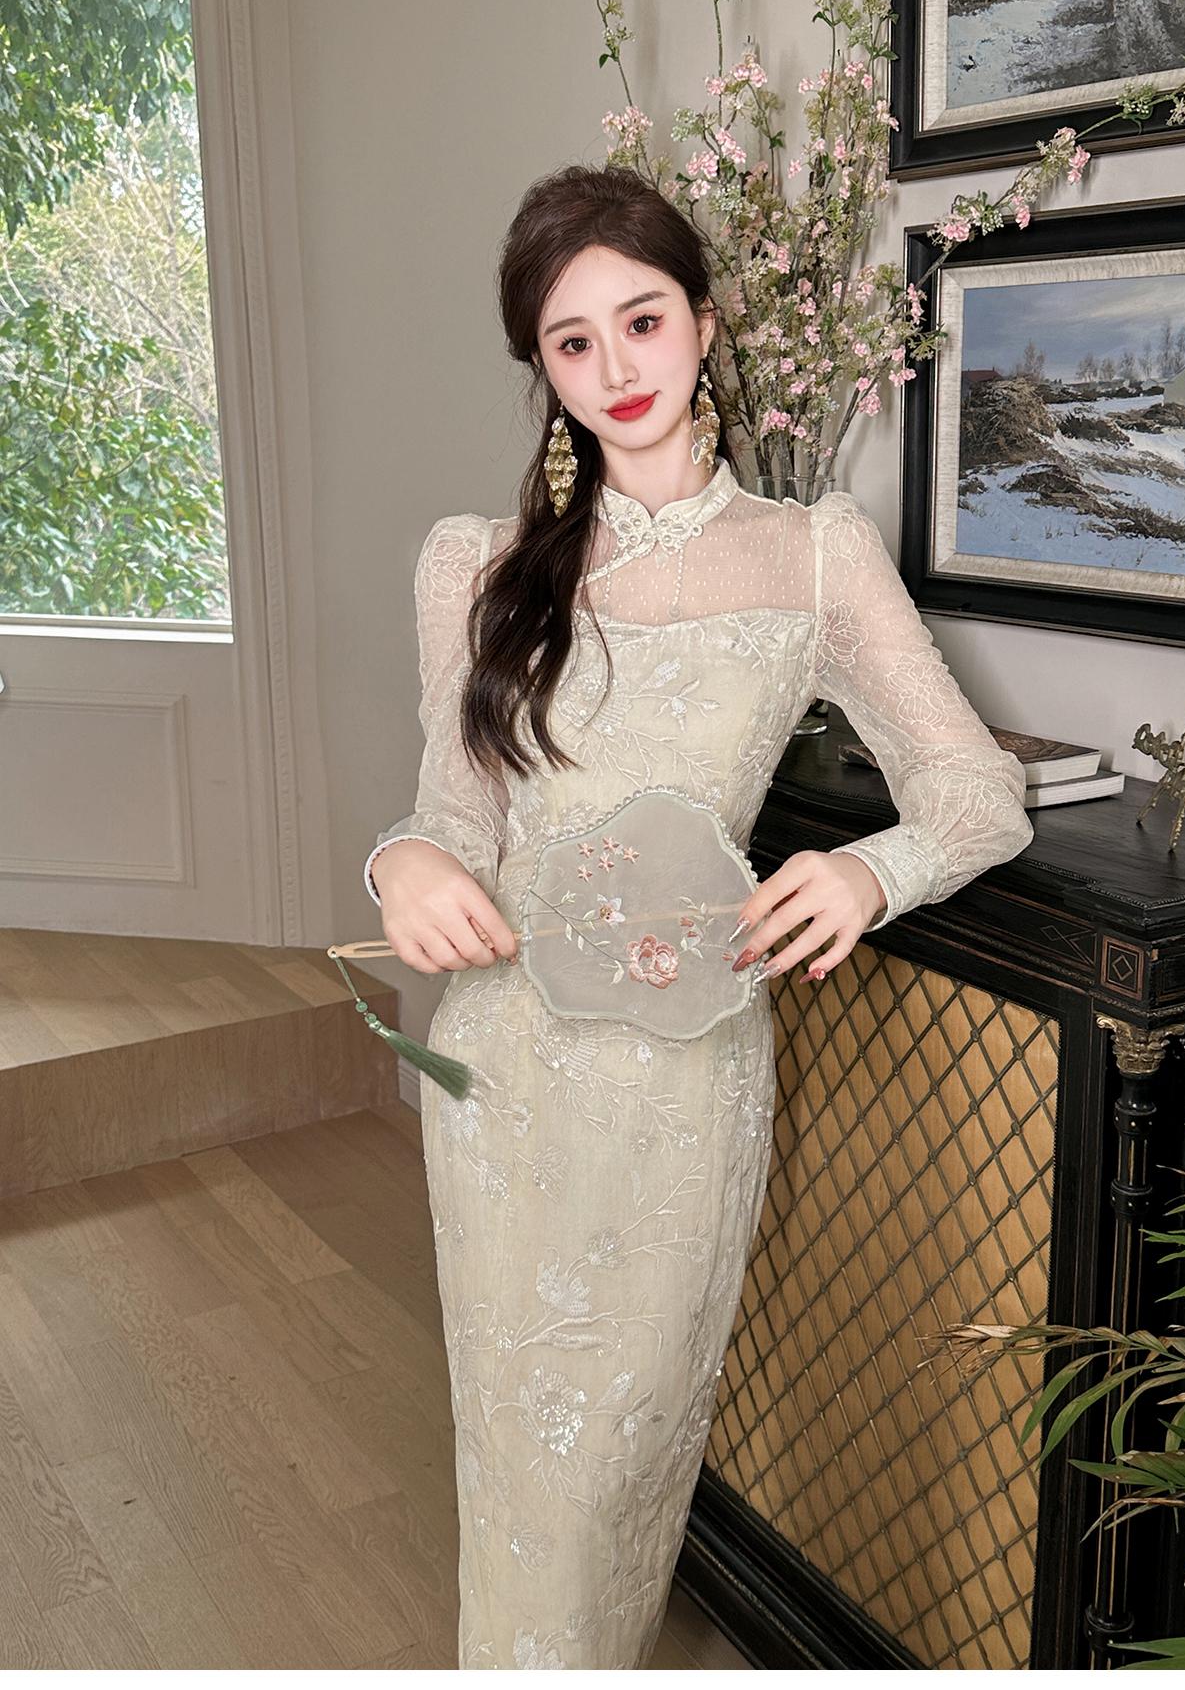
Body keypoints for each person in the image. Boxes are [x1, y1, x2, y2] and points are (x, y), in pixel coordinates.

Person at [364, 163, 1035, 1669]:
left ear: (705, 322)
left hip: (686, 1084)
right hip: (507, 1077)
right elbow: (453, 815)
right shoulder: (477, 565)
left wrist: (871, 872)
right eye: (573, 341)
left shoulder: (811, 555)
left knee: (622, 1456)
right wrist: (401, 865)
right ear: (541, 369)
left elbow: (976, 792)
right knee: (523, 1466)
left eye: (644, 320)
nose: (616, 367)